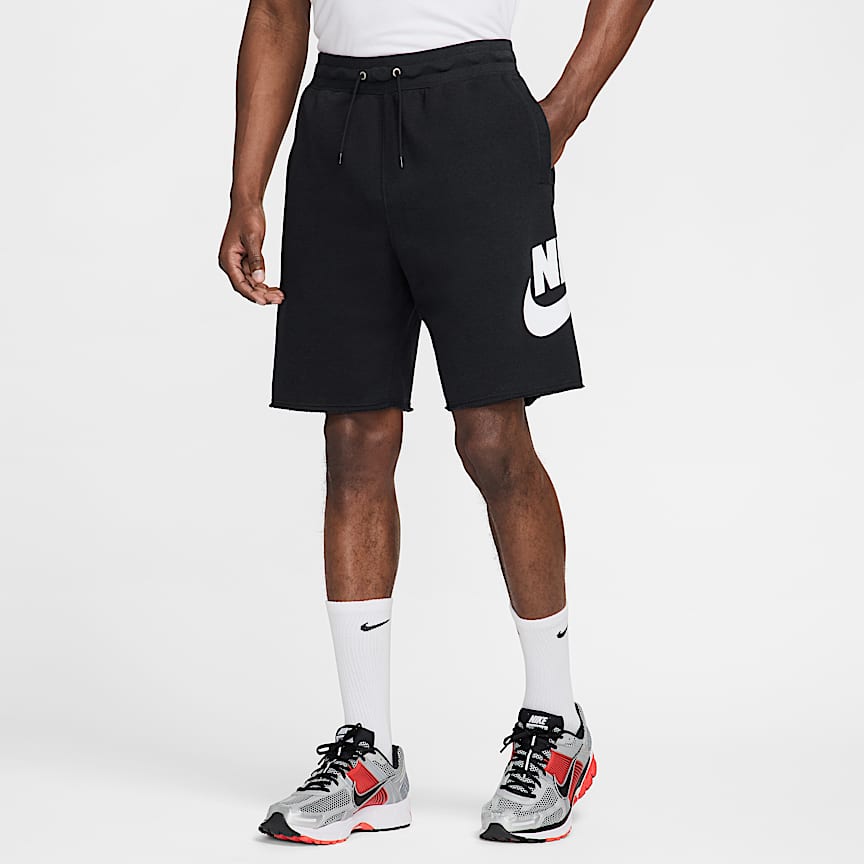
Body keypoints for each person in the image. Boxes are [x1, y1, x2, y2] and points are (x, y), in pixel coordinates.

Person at [219, 0, 652, 845]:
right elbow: (275, 11)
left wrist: (564, 109)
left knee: (492, 434)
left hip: (473, 115)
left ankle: (556, 723)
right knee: (355, 438)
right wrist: (246, 187)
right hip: (338, 124)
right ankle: (368, 755)